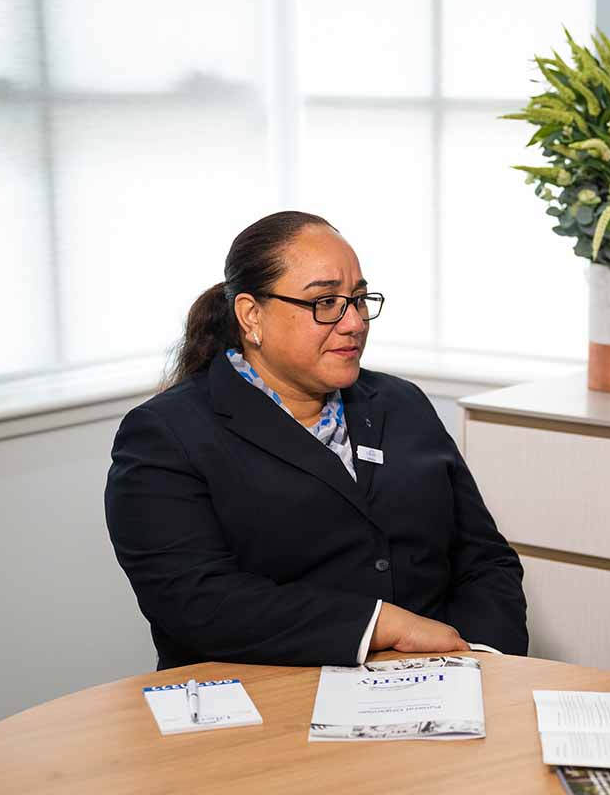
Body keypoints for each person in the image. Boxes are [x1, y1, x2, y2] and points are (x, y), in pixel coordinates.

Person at [105, 211, 527, 670]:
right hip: (267, 705)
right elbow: (197, 601)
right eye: (325, 302)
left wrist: (479, 660)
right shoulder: (165, 435)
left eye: (360, 299)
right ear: (251, 316)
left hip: (441, 687)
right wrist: (382, 625)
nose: (354, 323)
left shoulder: (401, 403)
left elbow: (485, 559)